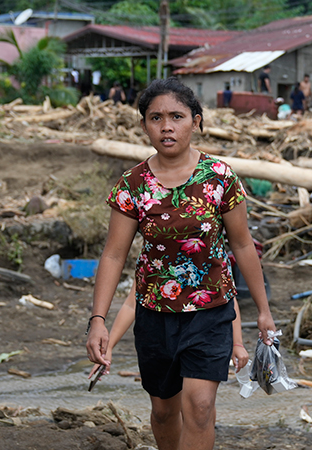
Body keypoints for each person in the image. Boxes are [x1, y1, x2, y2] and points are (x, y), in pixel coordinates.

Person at [86, 77, 276, 450]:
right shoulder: (132, 185)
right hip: (154, 314)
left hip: (211, 311)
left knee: (201, 407)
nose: (167, 126)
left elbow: (242, 245)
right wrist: (98, 321)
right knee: (162, 411)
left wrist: (265, 312)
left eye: (177, 116)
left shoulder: (219, 178)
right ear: (144, 126)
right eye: (156, 118)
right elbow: (113, 254)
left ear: (196, 122)